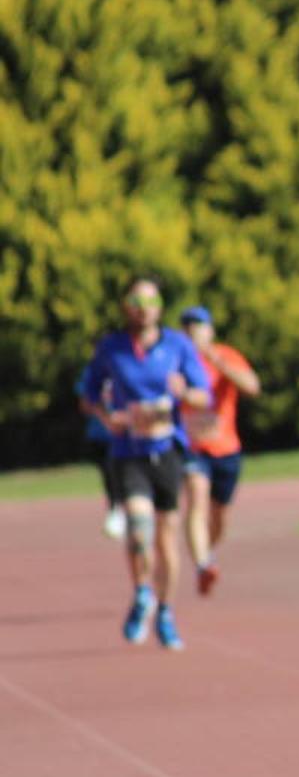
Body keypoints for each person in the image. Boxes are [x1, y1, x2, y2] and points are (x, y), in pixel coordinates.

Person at [81, 278, 211, 650]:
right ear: (126, 306)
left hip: (167, 448)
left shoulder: (177, 345)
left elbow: (203, 395)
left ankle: (166, 611)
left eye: (151, 299)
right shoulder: (112, 348)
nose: (144, 307)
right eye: (136, 300)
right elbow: (89, 395)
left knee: (168, 535)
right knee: (140, 529)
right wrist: (109, 417)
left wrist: (183, 393)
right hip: (128, 450)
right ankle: (142, 593)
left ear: (160, 305)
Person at [178, 305, 260, 596]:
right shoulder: (177, 361)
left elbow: (252, 386)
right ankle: (202, 564)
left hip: (226, 448)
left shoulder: (226, 355)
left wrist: (217, 361)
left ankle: (206, 552)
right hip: (192, 448)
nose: (193, 332)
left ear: (210, 330)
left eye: (199, 326)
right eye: (187, 327)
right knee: (196, 501)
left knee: (219, 516)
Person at [78, 363, 126, 540]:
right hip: (101, 435)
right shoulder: (91, 372)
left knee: (127, 473)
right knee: (109, 474)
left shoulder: (127, 367)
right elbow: (84, 404)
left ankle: (126, 510)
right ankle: (115, 510)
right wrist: (104, 413)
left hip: (127, 434)